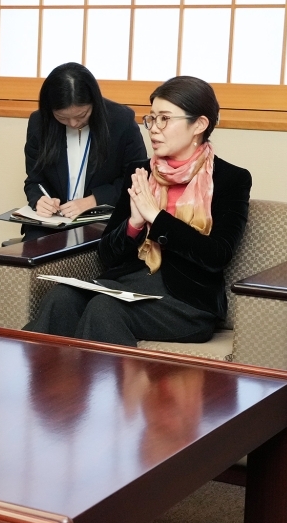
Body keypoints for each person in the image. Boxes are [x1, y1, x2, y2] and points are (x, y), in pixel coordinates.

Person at [23, 75, 252, 347]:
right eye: (152, 118)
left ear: (199, 125)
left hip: (187, 302)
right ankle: (33, 384)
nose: (154, 129)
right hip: (129, 285)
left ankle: (108, 391)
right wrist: (133, 222)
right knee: (62, 298)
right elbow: (107, 254)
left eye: (165, 119)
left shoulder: (230, 179)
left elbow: (217, 255)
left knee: (104, 309)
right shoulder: (140, 172)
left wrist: (156, 218)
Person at [24, 63, 147, 221]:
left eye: (81, 115)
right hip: (54, 220)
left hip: (102, 218)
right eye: (62, 118)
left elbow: (137, 178)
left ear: (94, 102)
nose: (73, 123)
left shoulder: (121, 121)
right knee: (36, 245)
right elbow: (35, 180)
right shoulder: (39, 122)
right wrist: (39, 200)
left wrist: (94, 200)